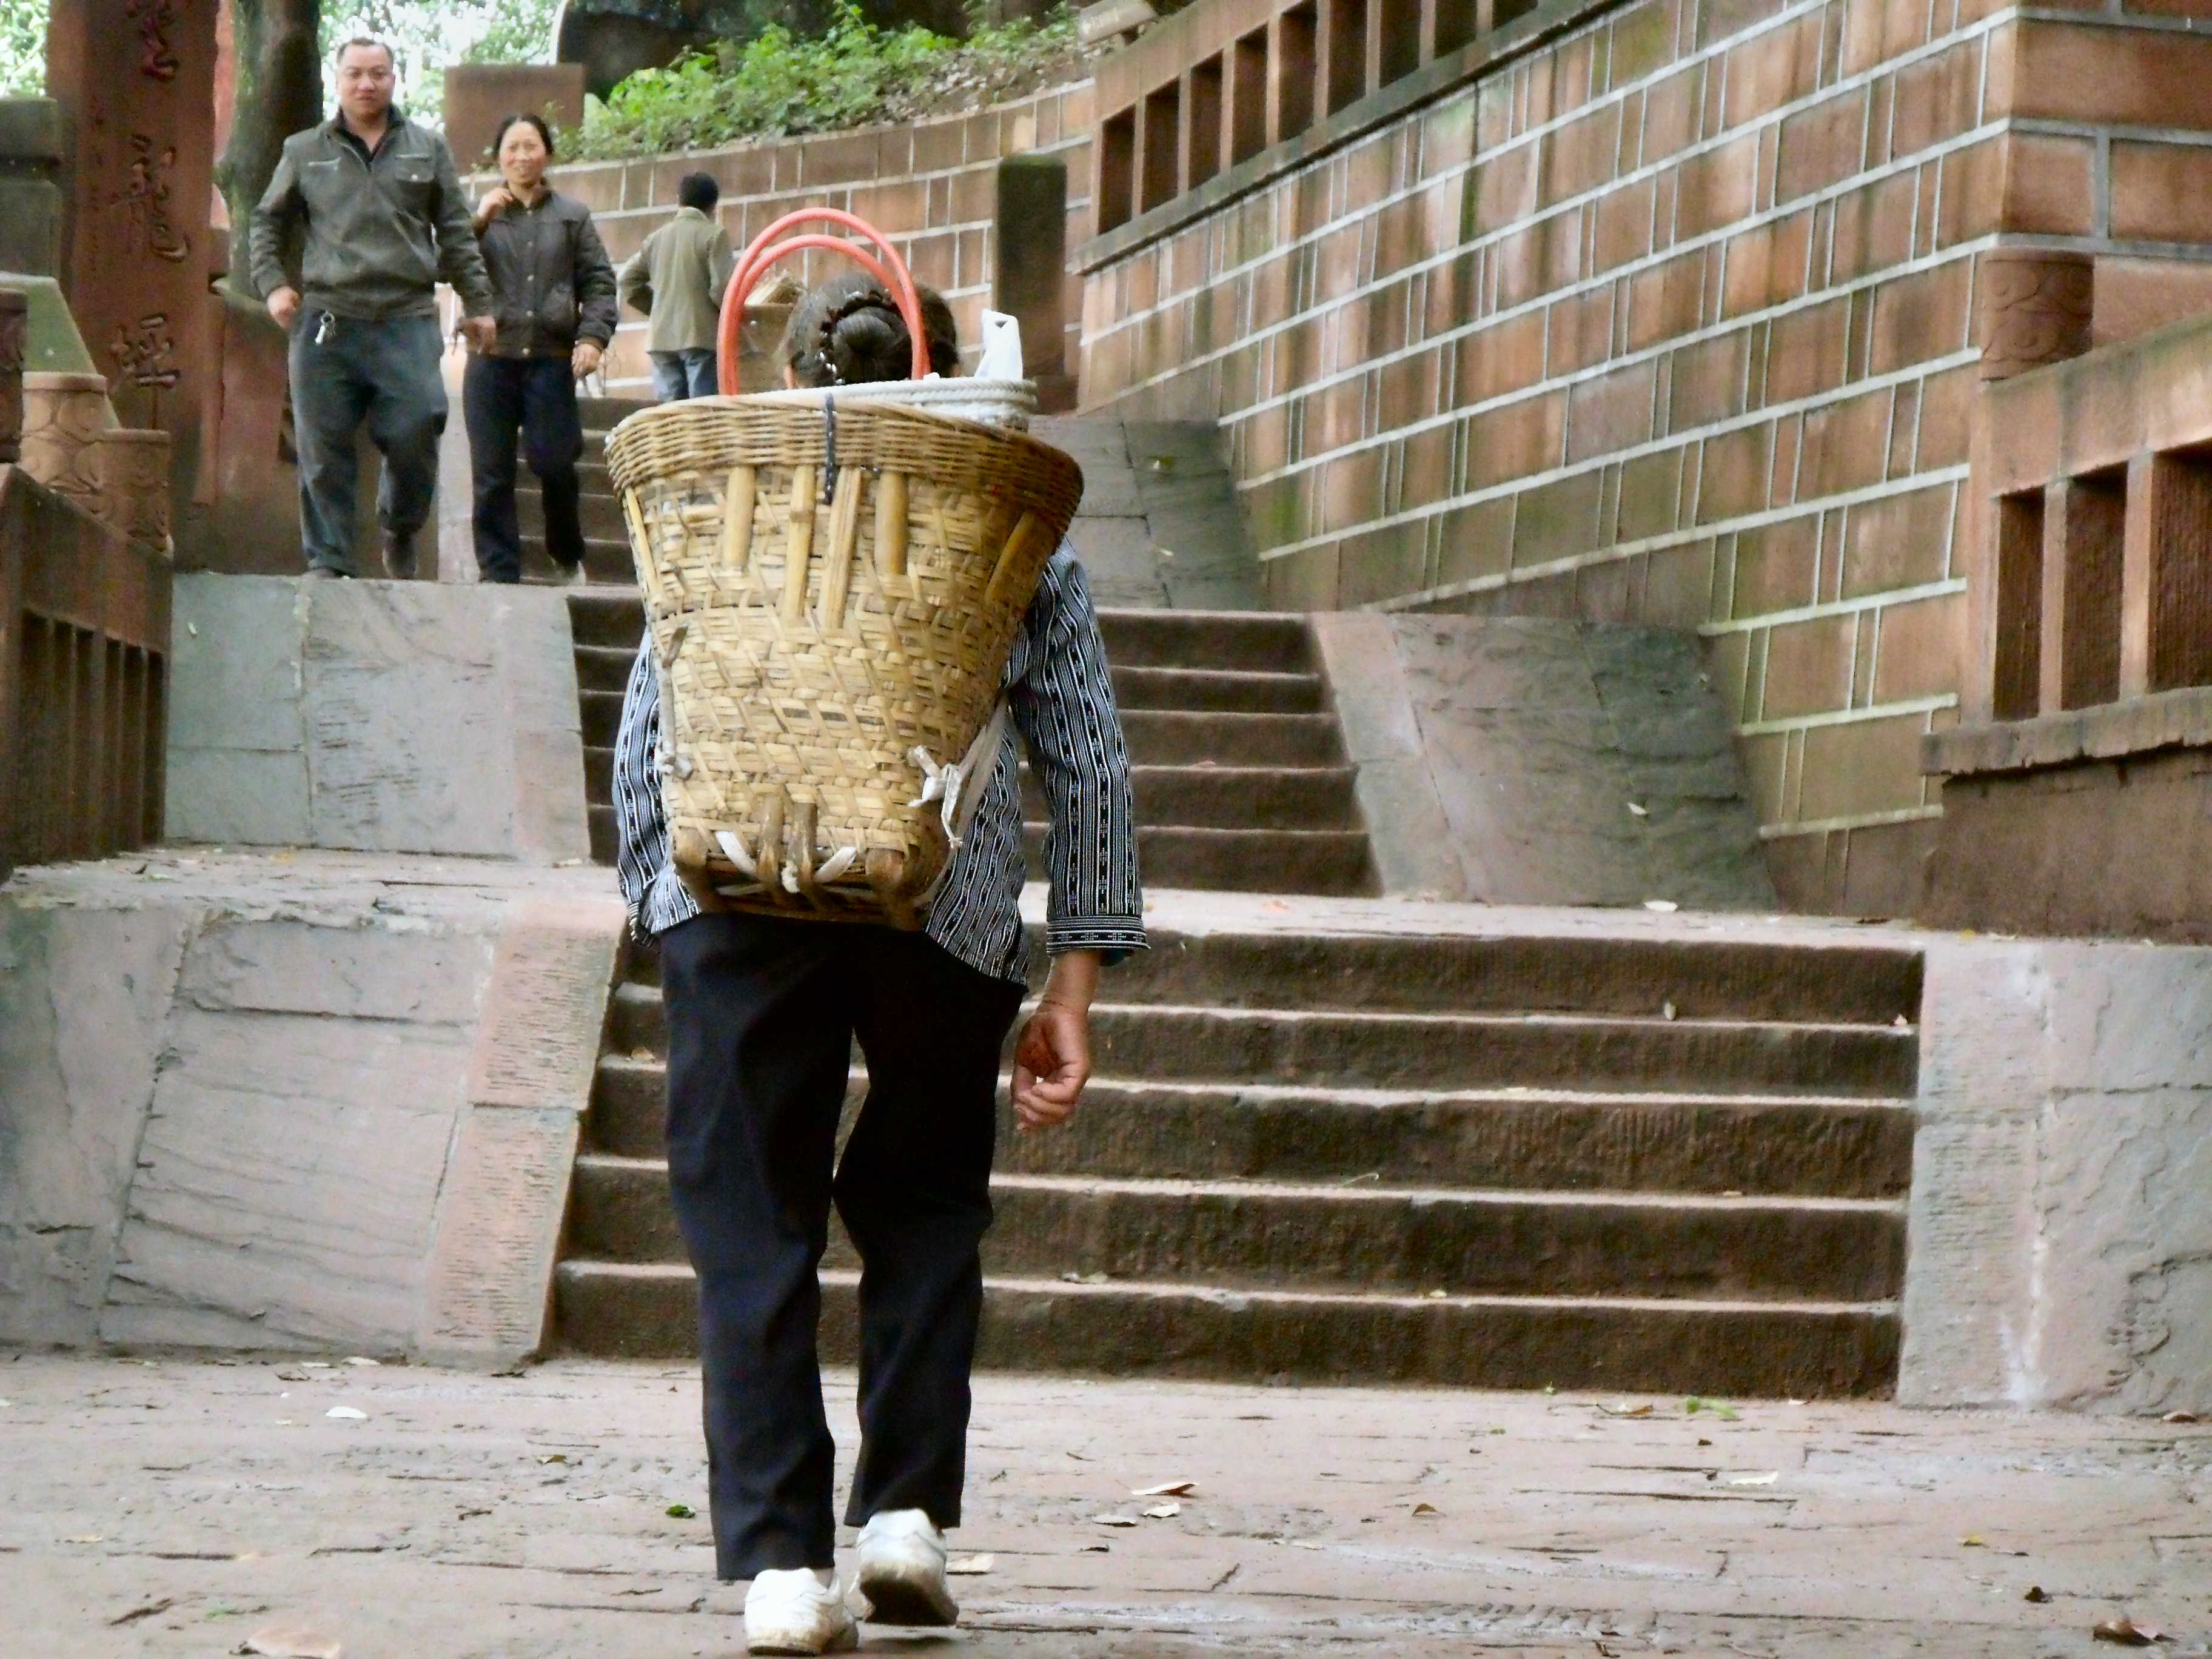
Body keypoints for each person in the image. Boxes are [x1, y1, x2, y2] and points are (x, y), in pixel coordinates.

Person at [611, 272, 1142, 1656]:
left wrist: (667, 913)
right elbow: (1090, 763)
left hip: (737, 893)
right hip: (941, 909)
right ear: (949, 380)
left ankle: (781, 1566)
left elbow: (647, 728)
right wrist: (1071, 983)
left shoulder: (726, 503)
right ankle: (904, 1513)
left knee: (750, 1222)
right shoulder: (1010, 525)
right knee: (925, 1205)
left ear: (794, 378)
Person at [249, 36, 496, 580]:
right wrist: (272, 284)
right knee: (322, 448)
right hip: (329, 319)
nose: (367, 84)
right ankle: (329, 562)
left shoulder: (427, 148)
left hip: (406, 316)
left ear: (393, 79)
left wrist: (479, 303)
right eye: (355, 74)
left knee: (418, 427)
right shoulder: (304, 150)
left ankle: (400, 524)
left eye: (378, 73)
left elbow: (456, 231)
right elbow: (267, 220)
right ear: (337, 80)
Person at [465, 113, 618, 586]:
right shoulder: (479, 216)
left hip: (550, 361)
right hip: (490, 360)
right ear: (498, 158)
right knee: (491, 473)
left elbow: (599, 283)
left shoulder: (572, 216)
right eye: (511, 148)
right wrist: (477, 223)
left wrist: (592, 338)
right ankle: (498, 572)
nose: (521, 157)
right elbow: (439, 264)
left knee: (554, 463)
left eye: (530, 146)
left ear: (547, 154)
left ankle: (565, 552)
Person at [618, 172, 734, 401]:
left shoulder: (656, 238)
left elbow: (627, 280)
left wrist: (657, 308)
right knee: (701, 412)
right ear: (713, 206)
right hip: (700, 337)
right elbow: (721, 290)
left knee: (671, 415)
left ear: (678, 200)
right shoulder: (715, 235)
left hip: (661, 341)